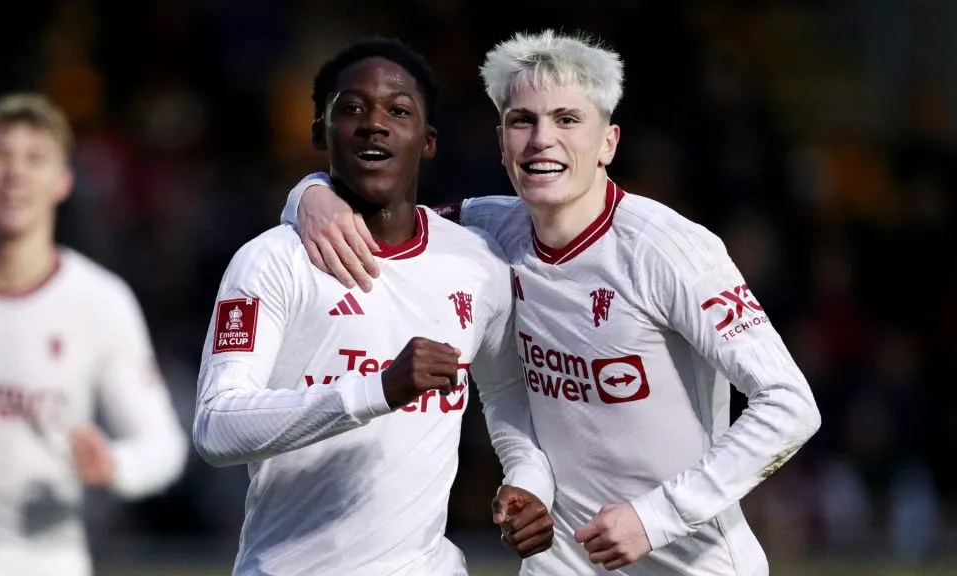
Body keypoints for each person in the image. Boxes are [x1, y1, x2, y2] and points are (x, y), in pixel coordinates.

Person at [281, 30, 822, 575]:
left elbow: (790, 405)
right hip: (561, 560)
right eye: (523, 120)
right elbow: (383, 218)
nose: (542, 139)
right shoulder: (487, 229)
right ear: (501, 142)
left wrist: (657, 516)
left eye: (567, 120)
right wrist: (308, 194)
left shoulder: (671, 250)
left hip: (688, 560)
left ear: (608, 142)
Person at [192, 37, 554, 576]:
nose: (374, 124)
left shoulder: (477, 263)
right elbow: (216, 428)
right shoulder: (271, 261)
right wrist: (377, 389)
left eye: (399, 110)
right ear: (321, 132)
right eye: (352, 109)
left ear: (427, 140)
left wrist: (529, 475)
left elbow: (505, 393)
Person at [0, 93, 187, 576]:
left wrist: (114, 464)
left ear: (63, 181)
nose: (15, 175)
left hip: (45, 563)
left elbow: (163, 446)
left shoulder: (100, 302)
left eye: (35, 159)